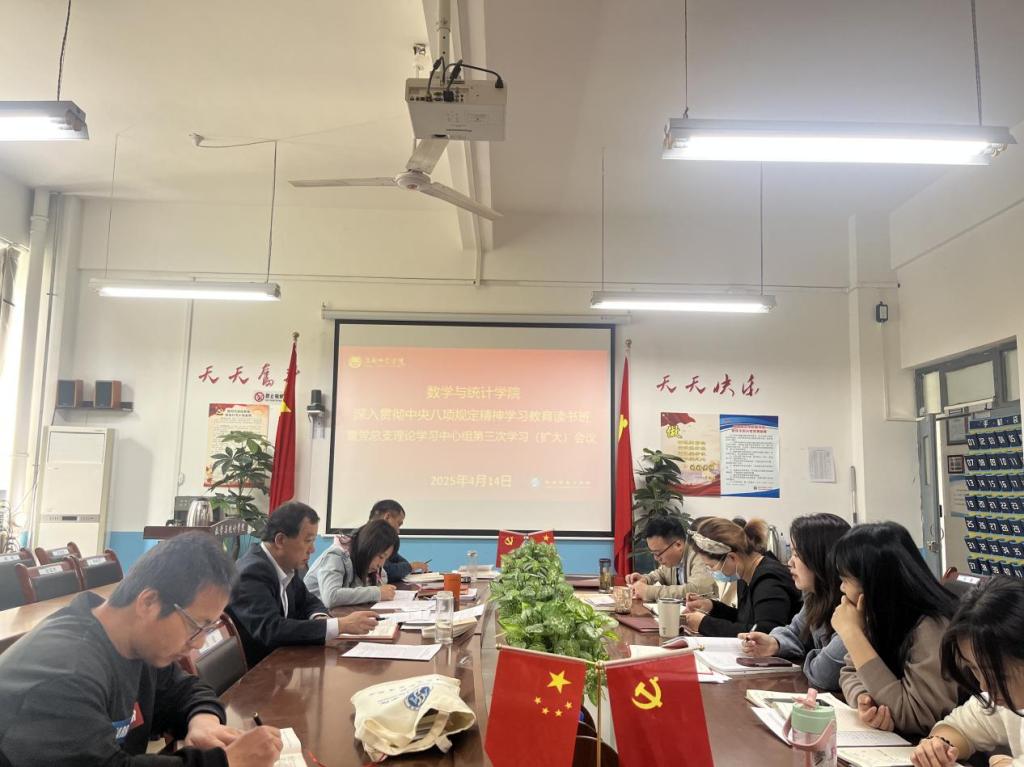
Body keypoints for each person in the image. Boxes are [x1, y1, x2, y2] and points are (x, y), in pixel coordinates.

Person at [0, 532, 282, 766]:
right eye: (196, 625)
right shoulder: (66, 672)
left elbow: (186, 689)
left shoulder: (137, 645)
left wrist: (203, 721)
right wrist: (227, 761)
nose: (197, 643)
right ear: (149, 603)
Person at [833, 522, 958, 737]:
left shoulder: (932, 626)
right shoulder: (881, 617)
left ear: (875, 585)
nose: (841, 588)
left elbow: (917, 717)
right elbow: (850, 672)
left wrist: (852, 634)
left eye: (845, 580)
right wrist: (865, 699)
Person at [227, 501, 378, 667]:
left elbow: (309, 601)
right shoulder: (252, 572)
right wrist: (339, 625)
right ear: (280, 540)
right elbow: (271, 630)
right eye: (308, 541)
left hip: (283, 663)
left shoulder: (285, 566)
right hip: (258, 671)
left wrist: (320, 618)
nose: (312, 549)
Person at [910, 577, 1024, 767]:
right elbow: (959, 727)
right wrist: (938, 746)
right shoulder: (1006, 700)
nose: (984, 686)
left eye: (999, 675)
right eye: (974, 669)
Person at [739, 513, 851, 691]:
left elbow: (824, 674)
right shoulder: (815, 595)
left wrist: (811, 654)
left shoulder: (853, 606)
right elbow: (796, 631)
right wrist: (775, 643)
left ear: (822, 558)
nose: (790, 562)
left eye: (797, 554)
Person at [682, 516, 801, 637]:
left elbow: (764, 633)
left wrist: (705, 624)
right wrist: (712, 607)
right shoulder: (745, 575)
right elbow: (745, 620)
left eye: (711, 566)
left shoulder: (769, 580)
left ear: (732, 558)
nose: (711, 572)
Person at [305, 519, 400, 607]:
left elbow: (383, 577)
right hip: (311, 614)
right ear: (368, 548)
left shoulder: (363, 560)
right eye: (381, 557)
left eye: (385, 559)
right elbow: (331, 597)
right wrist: (376, 593)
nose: (381, 564)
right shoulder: (335, 556)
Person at [625, 516, 716, 602]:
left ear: (678, 545)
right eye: (653, 553)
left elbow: (697, 590)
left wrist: (649, 592)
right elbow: (661, 574)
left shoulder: (700, 554)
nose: (656, 558)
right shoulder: (672, 559)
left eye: (658, 553)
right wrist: (645, 579)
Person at [367, 500, 429, 582]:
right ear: (387, 517)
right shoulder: (367, 539)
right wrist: (411, 566)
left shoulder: (382, 540)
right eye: (398, 524)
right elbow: (388, 571)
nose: (398, 531)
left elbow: (402, 562)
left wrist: (409, 567)